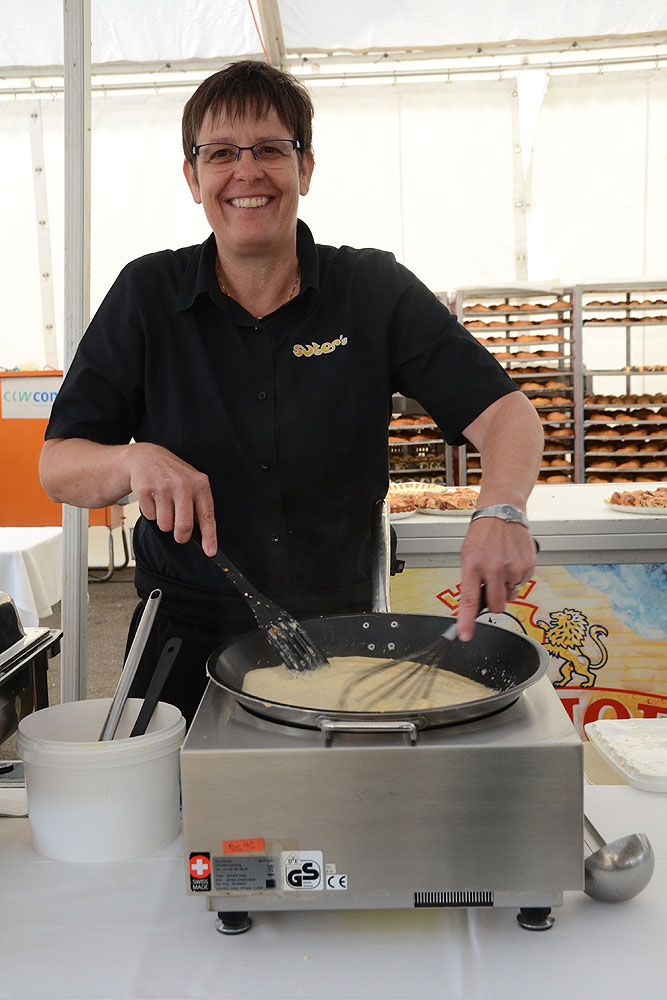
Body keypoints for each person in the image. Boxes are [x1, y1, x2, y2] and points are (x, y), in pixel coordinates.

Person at [40, 59, 544, 726]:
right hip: (182, 639)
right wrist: (130, 460)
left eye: (270, 150)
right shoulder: (146, 295)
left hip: (344, 634)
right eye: (221, 153)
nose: (246, 171)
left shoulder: (372, 290)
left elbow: (507, 413)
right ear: (192, 177)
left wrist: (501, 510)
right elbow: (59, 466)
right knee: (179, 795)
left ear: (305, 168)